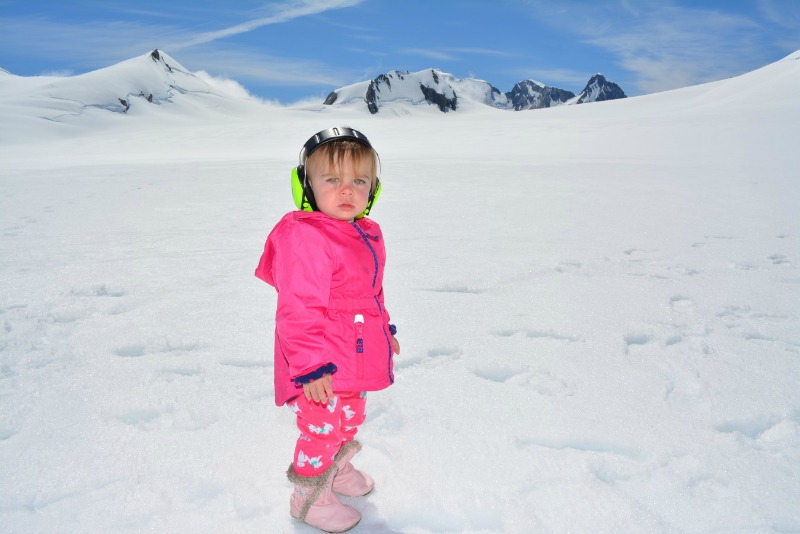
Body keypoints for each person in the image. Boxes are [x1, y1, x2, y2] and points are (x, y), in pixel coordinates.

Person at [255, 126, 400, 532]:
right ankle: (310, 498)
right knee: (321, 428)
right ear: (306, 184)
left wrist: (384, 329)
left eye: (359, 181)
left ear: (373, 189)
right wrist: (310, 367)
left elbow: (369, 293)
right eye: (332, 180)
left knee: (350, 418)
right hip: (318, 363)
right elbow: (297, 310)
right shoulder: (306, 236)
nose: (347, 190)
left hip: (354, 350)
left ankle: (335, 472)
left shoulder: (365, 232)